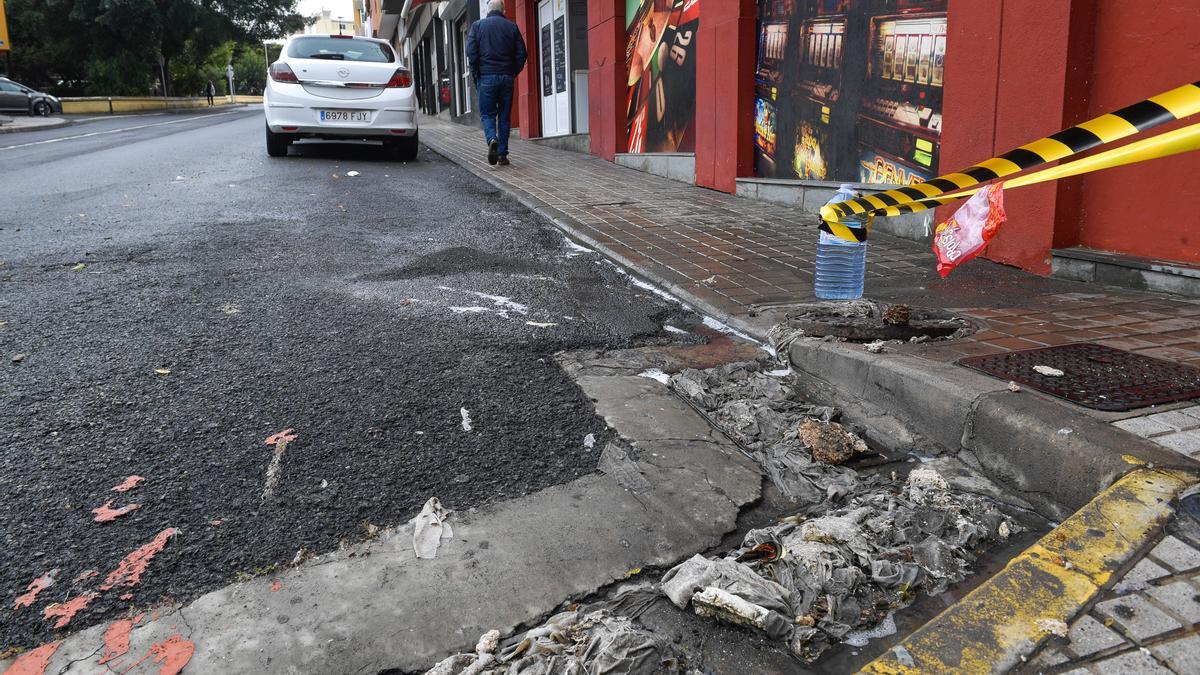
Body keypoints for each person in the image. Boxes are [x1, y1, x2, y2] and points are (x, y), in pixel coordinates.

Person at [466, 0, 526, 166]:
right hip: (506, 77)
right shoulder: (511, 27)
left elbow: (470, 52)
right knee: (505, 118)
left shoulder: (477, 26)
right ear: (503, 10)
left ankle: (492, 138)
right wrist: (513, 71)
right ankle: (502, 155)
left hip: (486, 77)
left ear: (487, 11)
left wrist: (477, 73)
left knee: (488, 114)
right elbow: (522, 53)